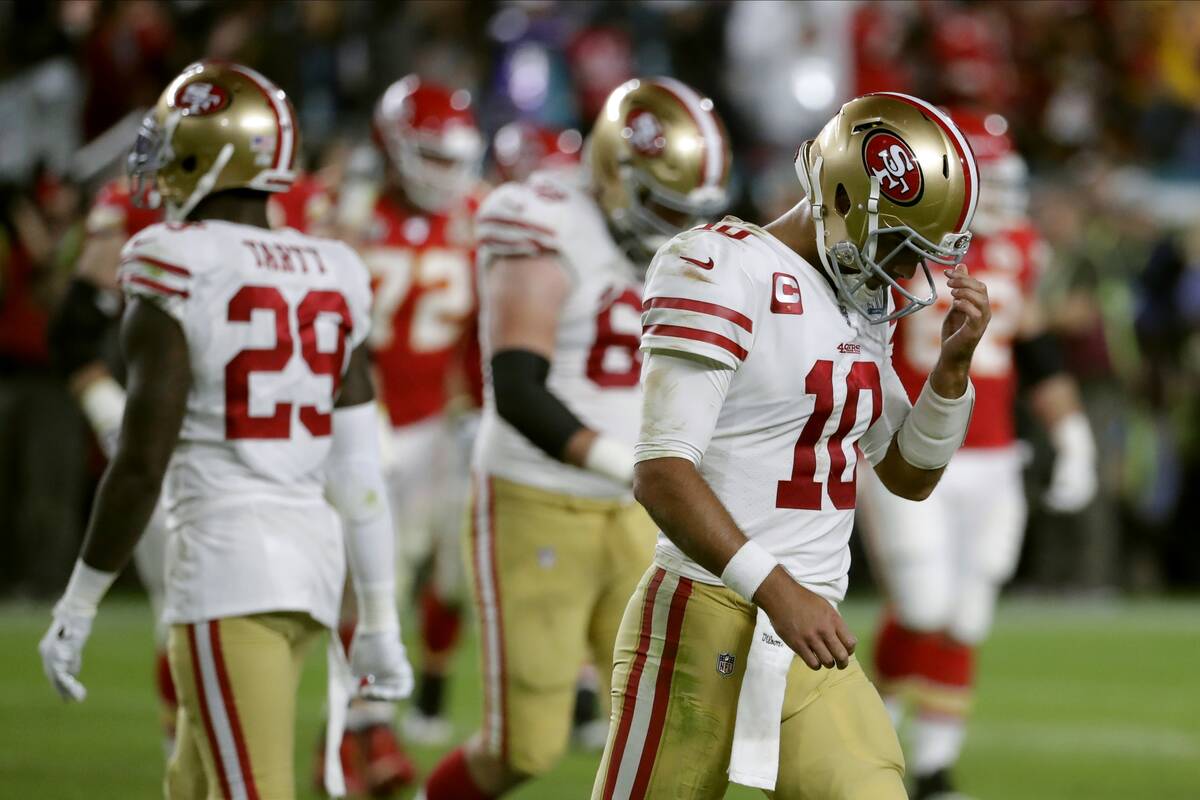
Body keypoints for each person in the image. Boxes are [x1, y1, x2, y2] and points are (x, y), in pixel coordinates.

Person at [592, 92, 991, 800]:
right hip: (704, 615)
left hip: (806, 636)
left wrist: (951, 373)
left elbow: (907, 473)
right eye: (898, 246)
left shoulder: (855, 301)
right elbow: (660, 474)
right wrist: (777, 589)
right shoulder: (719, 266)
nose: (904, 276)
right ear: (841, 194)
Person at [36, 61, 412, 800]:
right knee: (195, 785)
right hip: (312, 568)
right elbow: (360, 469)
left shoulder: (175, 260)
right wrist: (378, 613)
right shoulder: (334, 268)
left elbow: (143, 459)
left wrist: (79, 601)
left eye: (174, 144)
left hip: (227, 571)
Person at [423, 76, 733, 799]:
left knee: (675, 726)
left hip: (642, 512)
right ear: (612, 170)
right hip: (542, 499)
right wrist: (637, 468)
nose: (670, 228)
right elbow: (519, 389)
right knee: (524, 747)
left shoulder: (689, 244)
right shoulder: (541, 219)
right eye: (659, 204)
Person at [857, 108, 1097, 800]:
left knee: (968, 615)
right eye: (984, 177)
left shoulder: (1020, 243)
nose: (999, 193)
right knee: (924, 604)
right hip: (913, 452)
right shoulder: (896, 241)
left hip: (995, 457)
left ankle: (934, 767)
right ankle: (872, 725)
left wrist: (1069, 431)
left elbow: (1036, 345)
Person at [335, 75, 484, 763]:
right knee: (374, 574)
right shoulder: (350, 215)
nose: (447, 172)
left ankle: (387, 711)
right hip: (361, 418)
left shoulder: (476, 219)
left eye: (455, 155)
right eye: (434, 154)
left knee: (445, 567)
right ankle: (366, 723)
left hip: (440, 422)